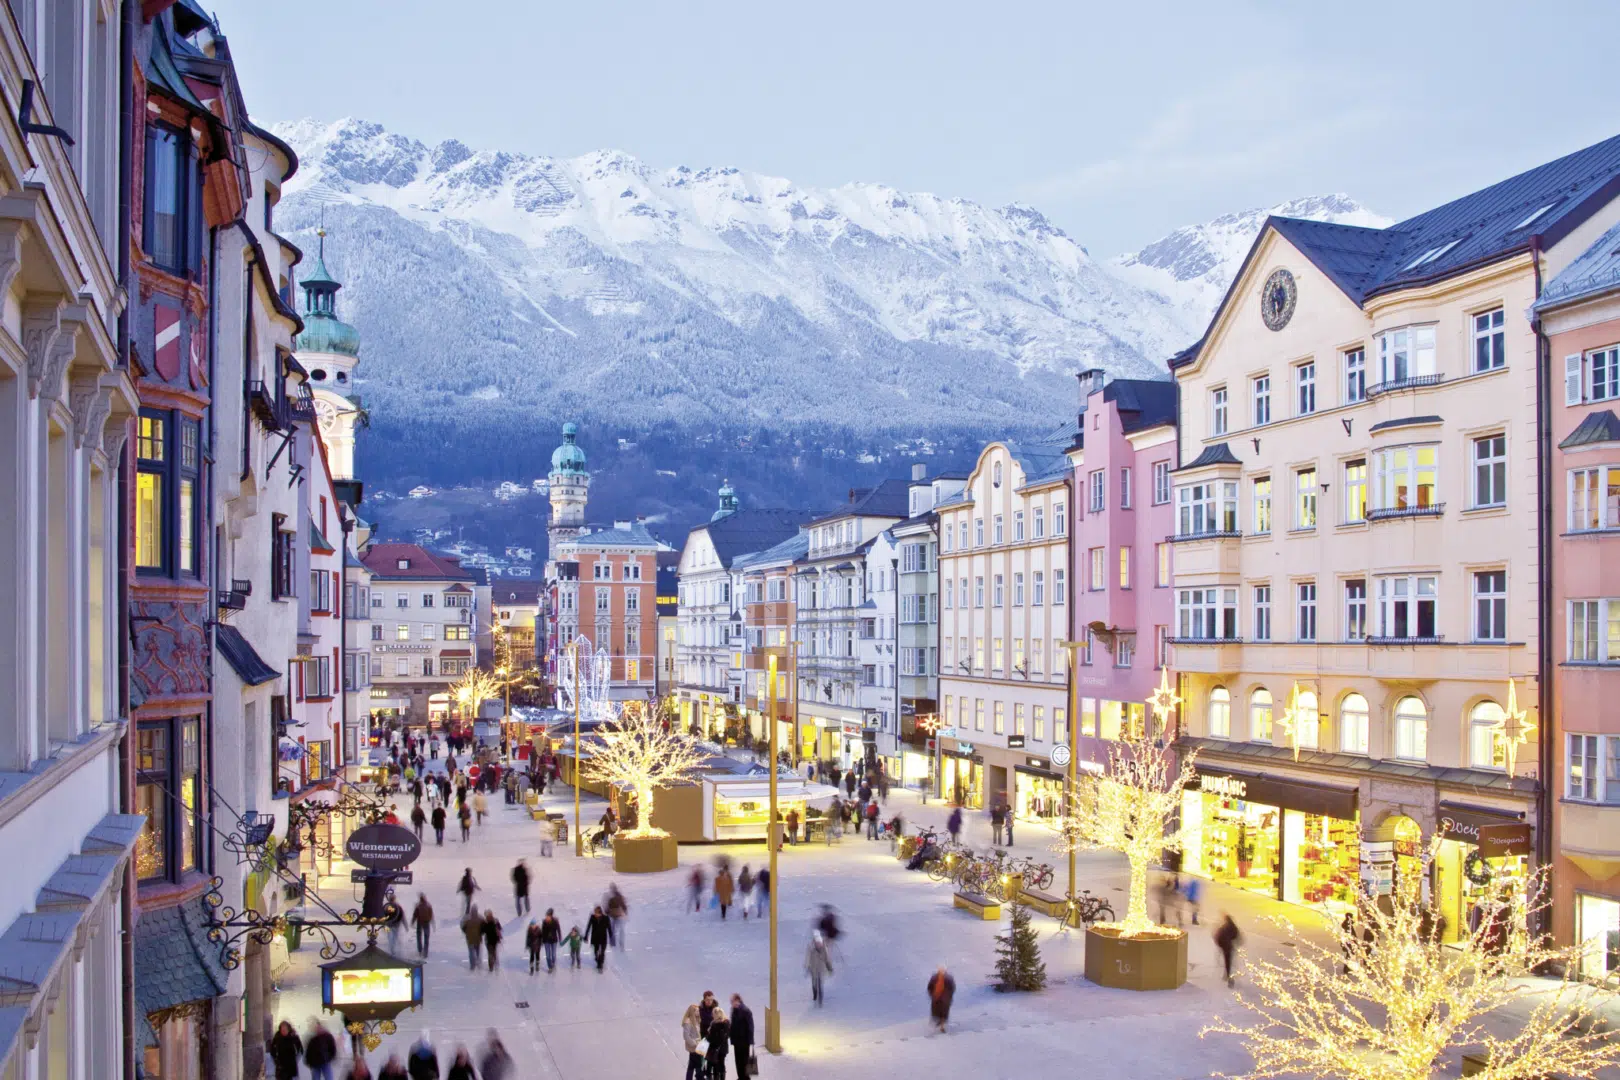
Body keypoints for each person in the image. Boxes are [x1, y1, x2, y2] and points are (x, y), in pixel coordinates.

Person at [729, 994, 755, 1080]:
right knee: (738, 1060)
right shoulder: (734, 1010)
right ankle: (740, 1077)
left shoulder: (746, 1011)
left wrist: (751, 1040)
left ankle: (745, 1077)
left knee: (744, 1061)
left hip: (744, 1041)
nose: (731, 1003)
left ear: (738, 1000)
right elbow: (732, 1025)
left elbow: (750, 1026)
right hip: (737, 1041)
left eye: (732, 1001)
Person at [1214, 913, 1242, 987]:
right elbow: (1237, 936)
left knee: (1228, 963)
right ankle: (1228, 976)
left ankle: (1229, 977)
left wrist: (1221, 945)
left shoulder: (1224, 927)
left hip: (1226, 947)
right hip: (1228, 947)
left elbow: (1218, 937)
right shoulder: (1233, 927)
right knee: (1229, 963)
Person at [805, 931, 833, 1005]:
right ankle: (815, 994)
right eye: (817, 944)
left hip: (821, 969)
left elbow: (827, 959)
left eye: (819, 943)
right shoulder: (811, 948)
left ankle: (820, 999)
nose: (818, 945)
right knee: (814, 983)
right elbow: (808, 958)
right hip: (813, 968)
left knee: (820, 984)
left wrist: (829, 968)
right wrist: (807, 966)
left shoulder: (824, 949)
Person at [705, 1005, 731, 1080]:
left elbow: (711, 1038)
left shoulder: (714, 1025)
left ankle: (716, 1078)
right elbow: (729, 1035)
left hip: (714, 1049)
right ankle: (723, 1078)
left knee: (715, 1065)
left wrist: (708, 1034)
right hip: (723, 1048)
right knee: (722, 1064)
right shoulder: (727, 1023)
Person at [927, 966, 956, 1033]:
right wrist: (932, 994)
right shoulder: (934, 978)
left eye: (942, 971)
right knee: (937, 1012)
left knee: (943, 1012)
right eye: (940, 971)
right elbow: (930, 987)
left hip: (944, 999)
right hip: (937, 998)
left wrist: (948, 995)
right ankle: (939, 1023)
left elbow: (952, 988)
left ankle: (942, 1027)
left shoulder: (948, 978)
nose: (941, 972)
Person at [681, 1004, 705, 1080]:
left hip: (698, 1046)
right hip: (694, 1047)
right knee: (698, 1064)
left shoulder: (696, 1020)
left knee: (692, 1065)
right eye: (697, 1011)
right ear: (692, 1011)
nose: (698, 1012)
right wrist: (695, 1044)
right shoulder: (688, 1022)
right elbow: (686, 1036)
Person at [585, 906, 611, 970]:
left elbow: (609, 927)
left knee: (602, 952)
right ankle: (597, 960)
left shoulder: (606, 918)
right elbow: (588, 926)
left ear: (600, 913)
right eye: (594, 913)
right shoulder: (592, 917)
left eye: (596, 913)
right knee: (596, 951)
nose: (595, 914)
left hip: (603, 937)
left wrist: (611, 936)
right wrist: (586, 936)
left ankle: (600, 964)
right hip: (595, 937)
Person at [606, 884, 628, 949]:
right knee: (619, 929)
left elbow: (608, 906)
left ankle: (614, 942)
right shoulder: (618, 896)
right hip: (617, 915)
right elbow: (623, 904)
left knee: (614, 929)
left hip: (614, 915)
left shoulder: (612, 896)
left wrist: (607, 912)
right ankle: (619, 942)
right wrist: (625, 911)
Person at [481, 908, 503, 972]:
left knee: (490, 953)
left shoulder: (484, 922)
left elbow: (482, 931)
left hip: (488, 940)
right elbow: (500, 928)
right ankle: (495, 961)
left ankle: (491, 967)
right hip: (495, 939)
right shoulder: (495, 920)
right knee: (494, 951)